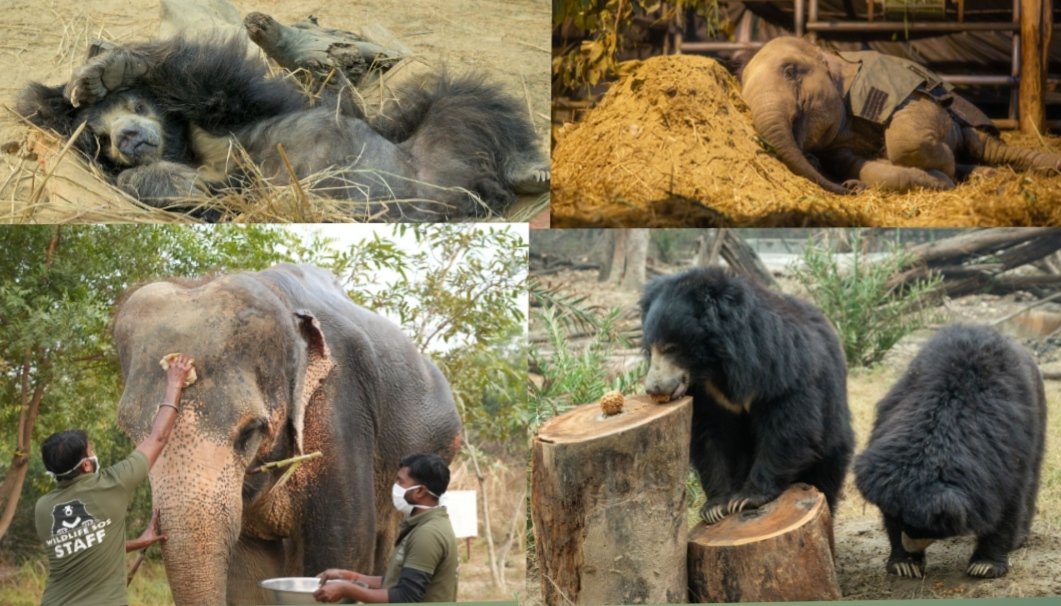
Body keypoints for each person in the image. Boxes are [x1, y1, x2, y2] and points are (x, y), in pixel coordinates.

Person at [34, 353, 195, 606]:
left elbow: (85, 548)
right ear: (86, 465)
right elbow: (158, 438)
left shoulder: (43, 508)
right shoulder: (112, 484)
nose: (93, 452)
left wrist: (139, 542)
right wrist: (175, 383)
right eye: (91, 450)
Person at [314, 453, 459, 603]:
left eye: (400, 482)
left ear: (420, 491)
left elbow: (406, 597)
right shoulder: (424, 525)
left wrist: (346, 589)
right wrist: (348, 576)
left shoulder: (428, 534)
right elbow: (397, 581)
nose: (395, 487)